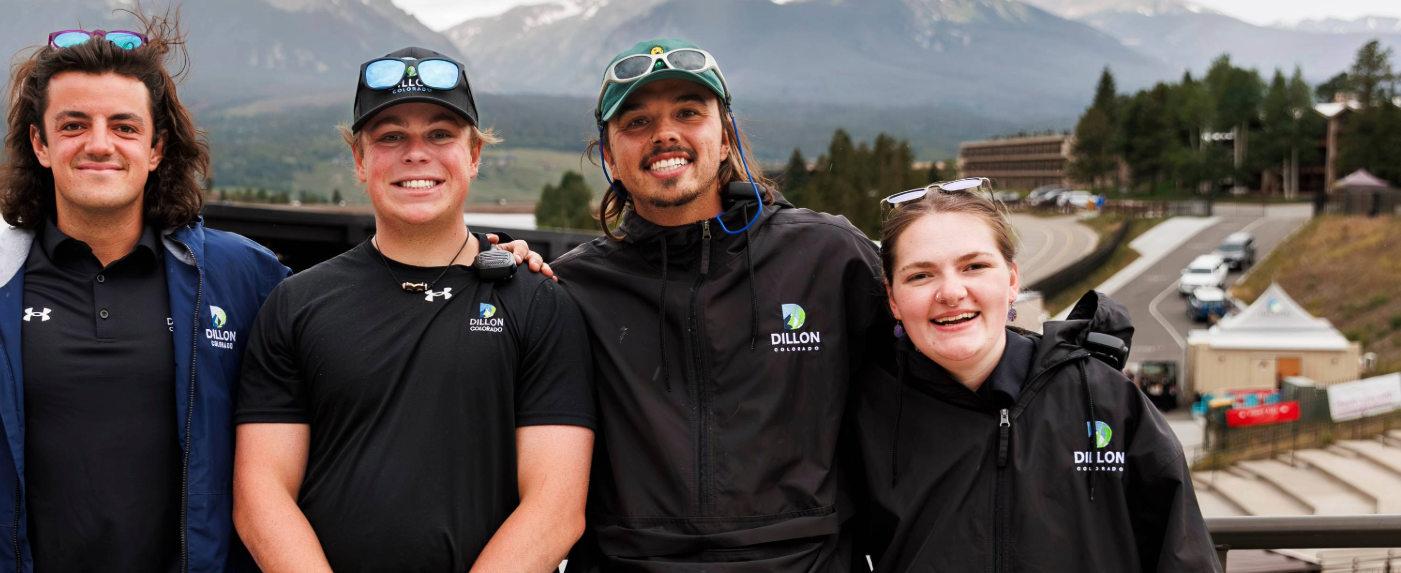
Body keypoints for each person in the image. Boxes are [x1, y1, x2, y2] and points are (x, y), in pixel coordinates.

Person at [233, 47, 595, 573]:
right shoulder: (296, 303)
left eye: (441, 135)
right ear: (360, 162)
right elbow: (261, 494)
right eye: (391, 137)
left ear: (474, 155)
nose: (416, 154)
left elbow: (556, 508)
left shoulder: (538, 302)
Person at [548, 39, 894, 571]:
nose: (665, 133)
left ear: (727, 137)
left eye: (688, 112)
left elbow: (942, 370)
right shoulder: (569, 288)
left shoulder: (829, 257)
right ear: (609, 157)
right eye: (636, 122)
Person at [0, 14, 292, 572]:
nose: (99, 144)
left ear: (157, 148)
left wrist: (474, 262)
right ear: (40, 145)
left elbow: (354, 334)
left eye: (123, 126)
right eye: (73, 126)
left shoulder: (243, 275)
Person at [844, 179, 1218, 572]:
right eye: (921, 275)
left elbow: (1184, 557)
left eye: (974, 266)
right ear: (893, 300)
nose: (951, 292)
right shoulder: (867, 415)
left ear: (1011, 281)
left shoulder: (1105, 399)